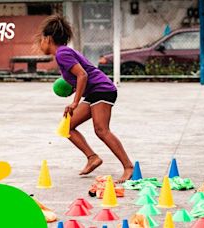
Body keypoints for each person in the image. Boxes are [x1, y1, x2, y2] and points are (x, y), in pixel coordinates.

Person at [37, 15, 133, 183]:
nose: (40, 44)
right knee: (67, 126)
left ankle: (128, 167)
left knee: (101, 130)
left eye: (41, 40)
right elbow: (80, 76)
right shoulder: (63, 53)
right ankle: (92, 158)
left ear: (48, 39)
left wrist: (75, 102)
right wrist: (73, 89)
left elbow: (83, 74)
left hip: (103, 90)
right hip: (94, 92)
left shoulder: (62, 54)